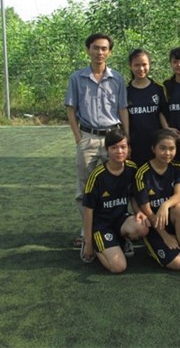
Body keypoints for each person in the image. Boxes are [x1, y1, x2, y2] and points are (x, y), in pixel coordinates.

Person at [64, 33, 129, 249]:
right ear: (88, 50)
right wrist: (78, 138)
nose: (99, 52)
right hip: (88, 138)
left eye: (104, 48)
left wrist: (126, 137)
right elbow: (71, 109)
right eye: (95, 48)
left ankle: (118, 229)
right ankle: (87, 232)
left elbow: (122, 109)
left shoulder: (117, 78)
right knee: (85, 187)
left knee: (118, 185)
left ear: (109, 52)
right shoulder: (77, 78)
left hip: (113, 137)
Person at [134, 129, 180, 276]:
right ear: (153, 149)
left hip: (172, 219)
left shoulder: (178, 167)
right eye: (162, 148)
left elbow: (179, 195)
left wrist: (165, 205)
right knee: (176, 264)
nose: (167, 153)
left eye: (172, 148)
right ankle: (153, 247)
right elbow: (146, 209)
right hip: (154, 225)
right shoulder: (142, 173)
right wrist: (164, 235)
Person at [81, 129, 150, 272]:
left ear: (128, 148)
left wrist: (138, 211)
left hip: (120, 220)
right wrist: (88, 242)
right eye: (114, 147)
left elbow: (132, 195)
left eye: (123, 147)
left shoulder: (132, 168)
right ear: (107, 150)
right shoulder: (97, 176)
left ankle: (121, 240)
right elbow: (88, 210)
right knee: (119, 267)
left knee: (142, 226)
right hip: (101, 226)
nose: (119, 151)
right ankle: (95, 243)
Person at [126, 48, 168, 167]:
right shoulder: (126, 91)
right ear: (130, 66)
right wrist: (126, 142)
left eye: (144, 64)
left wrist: (167, 130)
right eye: (137, 65)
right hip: (135, 144)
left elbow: (162, 113)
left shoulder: (159, 88)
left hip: (156, 144)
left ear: (149, 65)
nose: (141, 68)